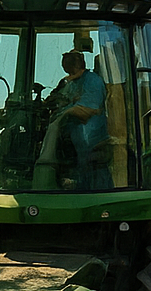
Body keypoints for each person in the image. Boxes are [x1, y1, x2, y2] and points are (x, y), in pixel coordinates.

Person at [43, 50, 109, 188]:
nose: (68, 73)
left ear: (77, 65)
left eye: (69, 68)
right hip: (75, 146)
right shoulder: (70, 84)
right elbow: (61, 100)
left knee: (93, 179)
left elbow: (88, 110)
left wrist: (63, 115)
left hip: (92, 142)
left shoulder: (92, 80)